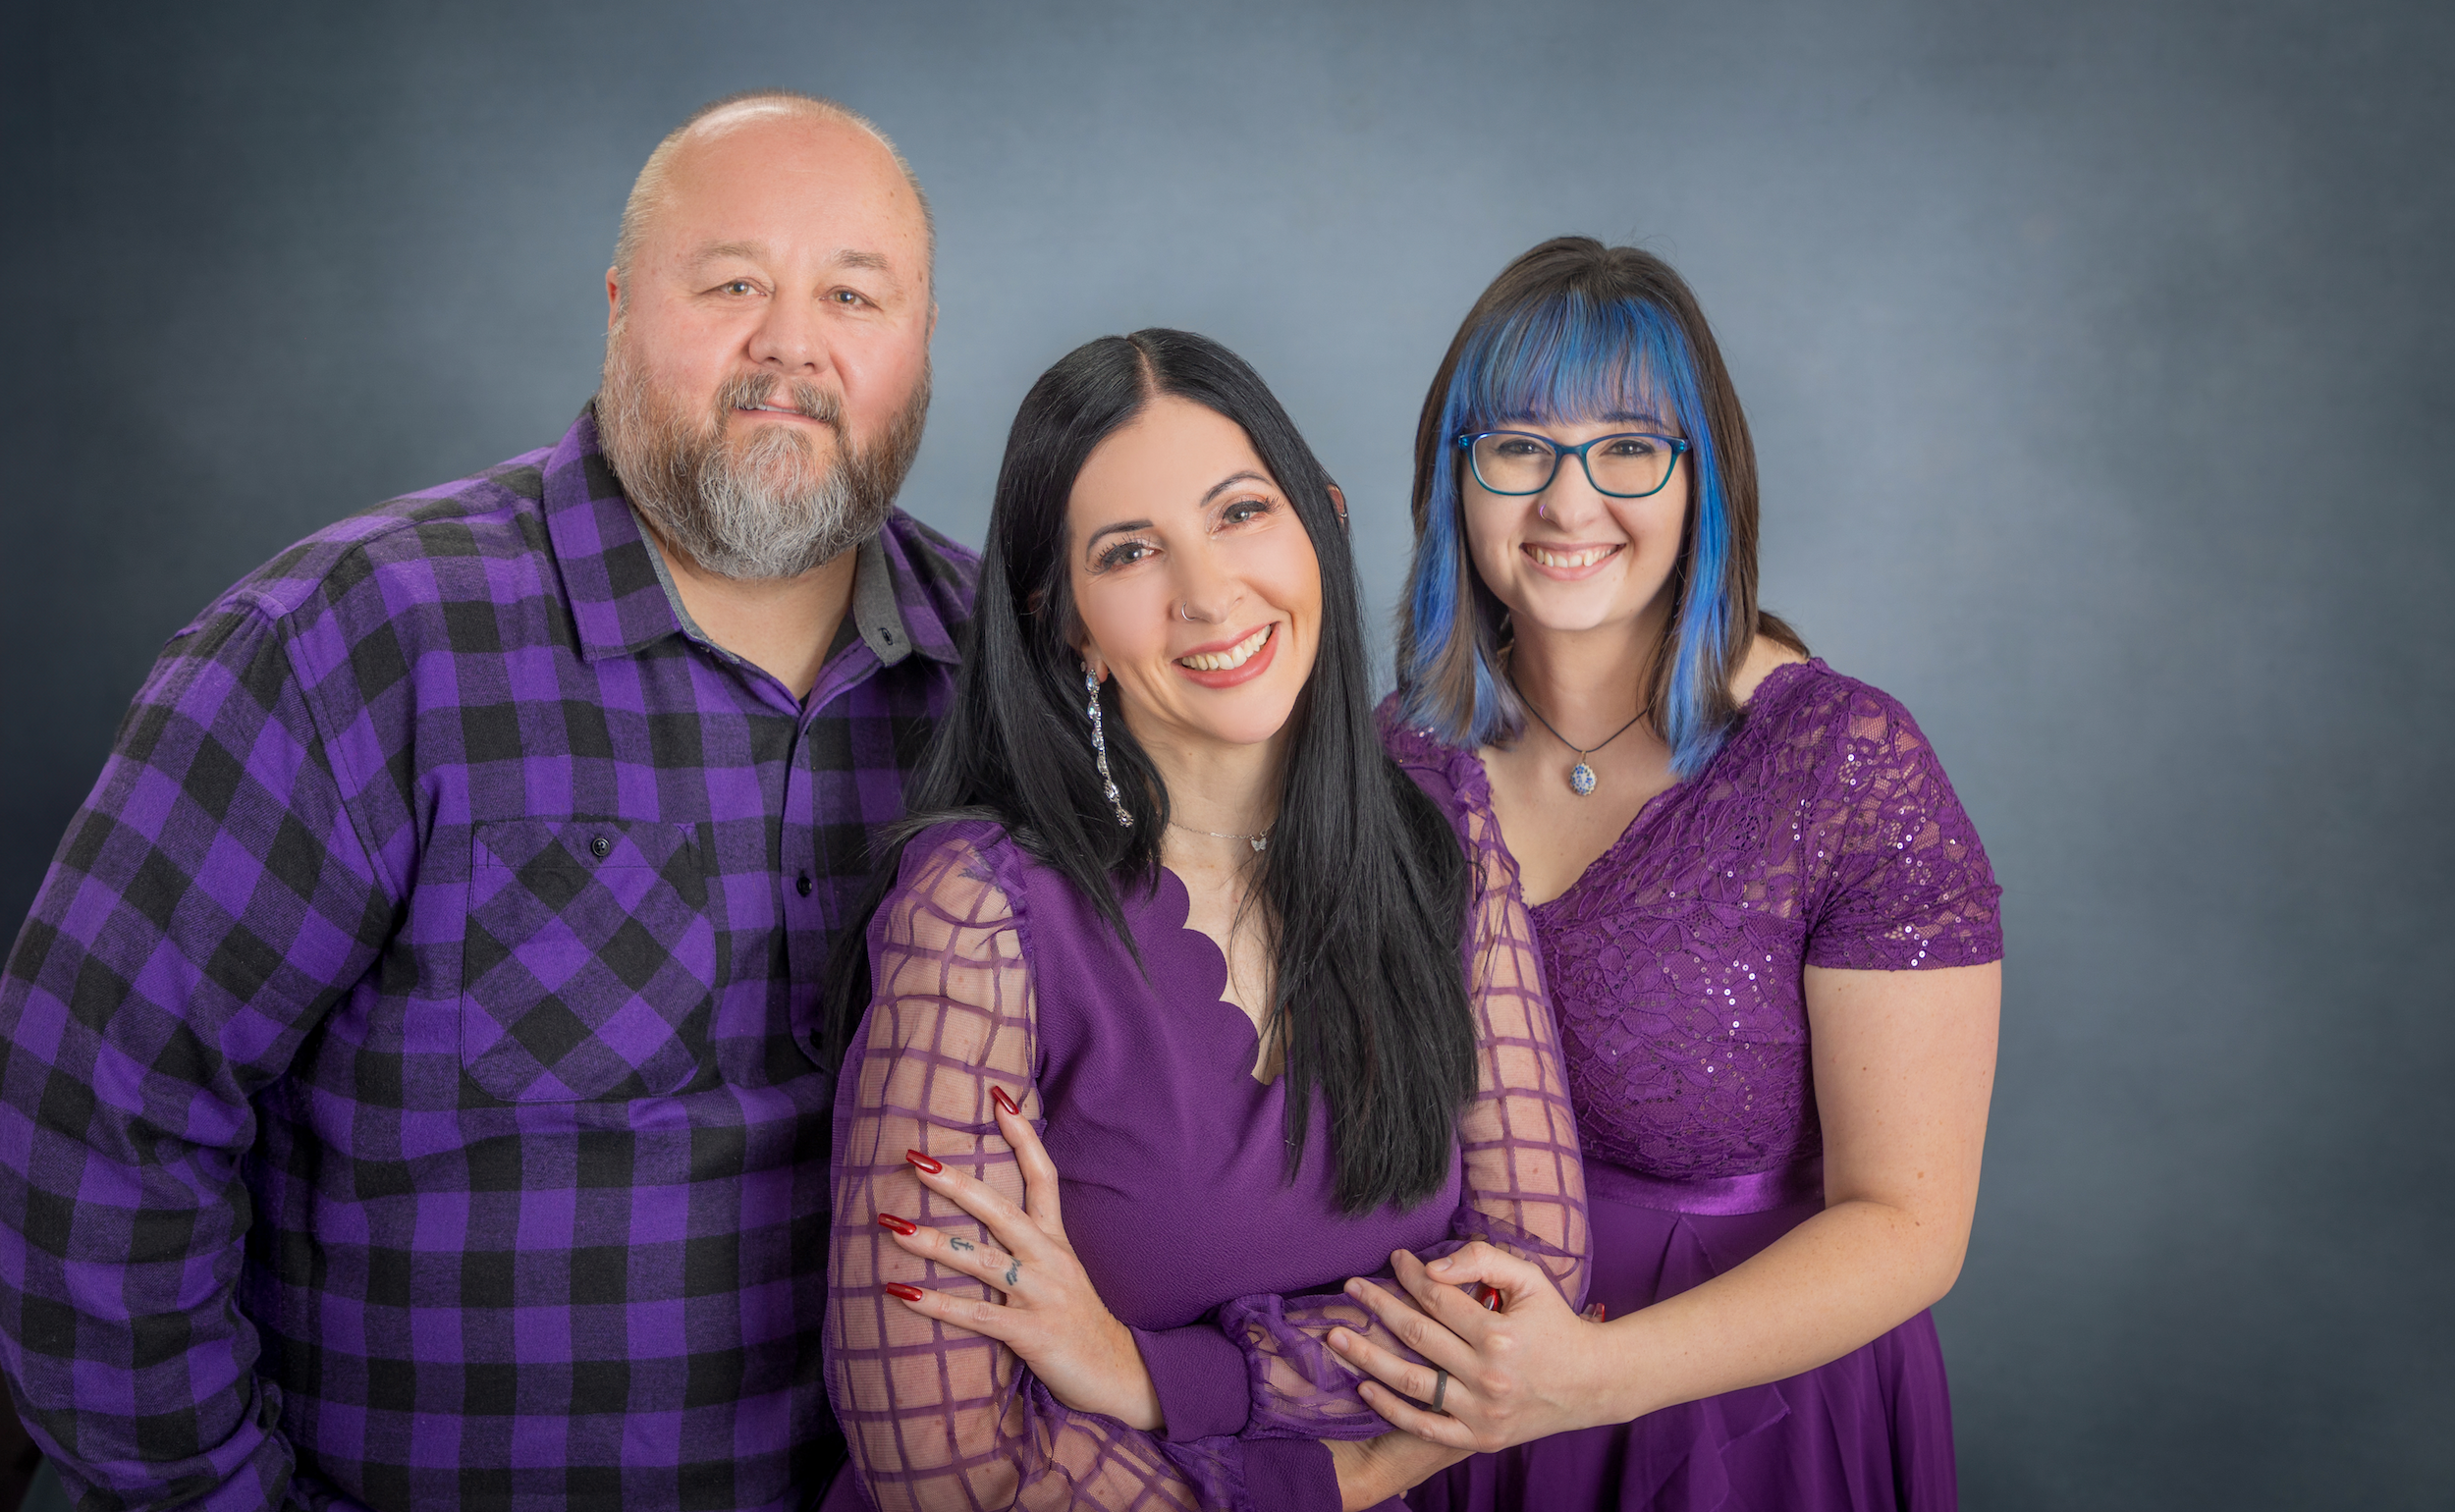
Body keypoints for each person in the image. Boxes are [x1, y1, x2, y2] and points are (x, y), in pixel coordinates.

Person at [0, 90, 969, 1510]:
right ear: (622, 302)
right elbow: (88, 1111)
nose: (791, 346)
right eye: (734, 283)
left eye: (853, 294)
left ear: (921, 340)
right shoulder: (354, 638)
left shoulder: (1004, 666)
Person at [819, 330, 1588, 1511]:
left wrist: (1151, 1373)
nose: (1208, 592)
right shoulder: (977, 916)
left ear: (1320, 522)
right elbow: (938, 1461)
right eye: (1130, 551)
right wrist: (1335, 1479)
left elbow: (1530, 1290)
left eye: (1240, 513)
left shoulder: (1442, 833)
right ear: (1063, 616)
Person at [1332, 239, 2003, 1511]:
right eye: (1518, 447)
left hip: (1749, 1432)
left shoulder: (1845, 763)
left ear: (1705, 477)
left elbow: (1910, 1223)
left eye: (1629, 446)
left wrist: (1587, 1376)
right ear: (1455, 480)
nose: (1570, 503)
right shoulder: (1385, 761)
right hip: (1450, 1428)